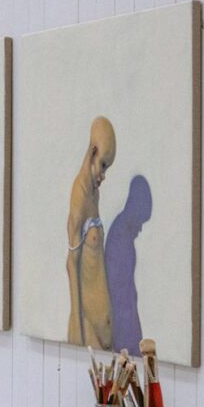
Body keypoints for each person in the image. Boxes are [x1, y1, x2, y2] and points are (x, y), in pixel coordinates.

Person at [66, 117, 116, 348]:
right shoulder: (79, 195)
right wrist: (78, 327)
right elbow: (72, 264)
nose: (104, 176)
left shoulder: (95, 195)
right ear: (92, 152)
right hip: (87, 331)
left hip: (104, 334)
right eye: (103, 165)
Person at [105, 174, 152, 354]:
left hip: (126, 328)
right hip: (122, 333)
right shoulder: (120, 237)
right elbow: (120, 296)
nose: (140, 228)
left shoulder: (121, 233)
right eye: (141, 220)